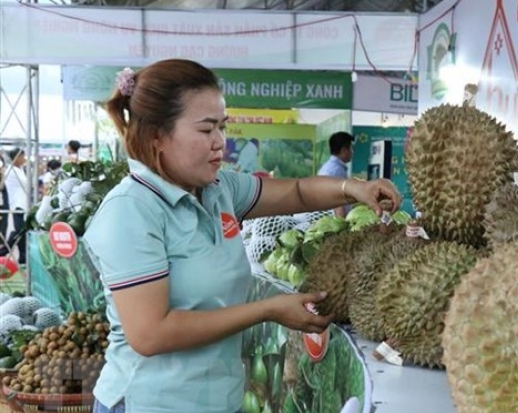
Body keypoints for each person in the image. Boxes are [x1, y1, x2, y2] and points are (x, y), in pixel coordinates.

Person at [83, 59, 401, 413]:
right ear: (157, 135)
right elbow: (151, 333)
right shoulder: (131, 210)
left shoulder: (219, 189)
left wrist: (354, 188)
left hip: (216, 401)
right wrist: (266, 310)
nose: (221, 142)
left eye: (223, 127)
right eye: (206, 131)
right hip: (149, 403)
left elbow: (296, 192)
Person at [317, 131, 355, 217]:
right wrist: (342, 223)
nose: (353, 152)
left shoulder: (328, 167)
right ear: (344, 150)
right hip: (334, 219)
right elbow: (338, 202)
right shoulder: (336, 170)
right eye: (351, 148)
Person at [3, 148, 29, 264]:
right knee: (19, 231)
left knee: (22, 231)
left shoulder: (20, 170)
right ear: (17, 157)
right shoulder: (12, 171)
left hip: (24, 204)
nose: (24, 159)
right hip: (17, 204)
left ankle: (23, 257)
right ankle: (4, 250)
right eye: (22, 156)